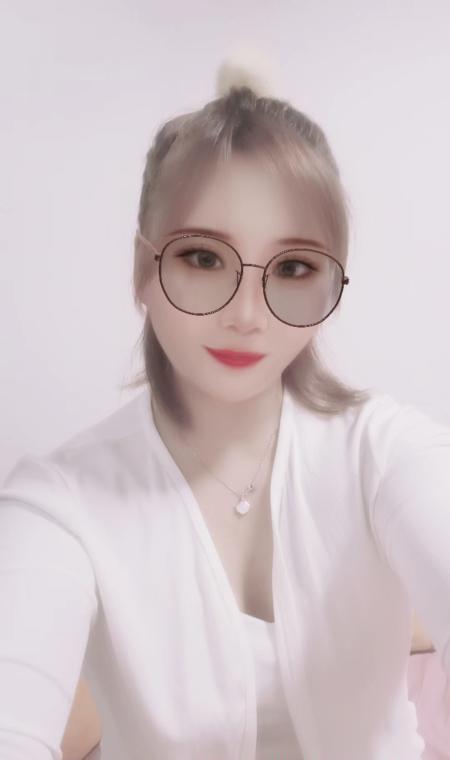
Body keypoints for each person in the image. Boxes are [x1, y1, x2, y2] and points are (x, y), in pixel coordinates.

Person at [1, 54, 449, 760]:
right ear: (143, 269)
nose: (246, 315)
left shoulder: (386, 452)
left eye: (293, 268)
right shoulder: (60, 506)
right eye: (205, 258)